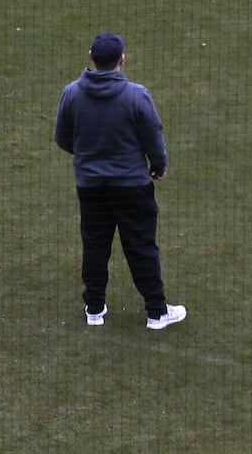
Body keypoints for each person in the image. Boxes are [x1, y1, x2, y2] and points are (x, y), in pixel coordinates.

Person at [53, 32, 186, 330]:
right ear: (121, 60)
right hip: (132, 187)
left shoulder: (72, 93)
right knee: (141, 247)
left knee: (95, 245)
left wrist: (90, 155)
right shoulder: (137, 95)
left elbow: (62, 137)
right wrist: (159, 165)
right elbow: (153, 138)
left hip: (90, 186)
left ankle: (95, 309)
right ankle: (156, 312)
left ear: (91, 56)